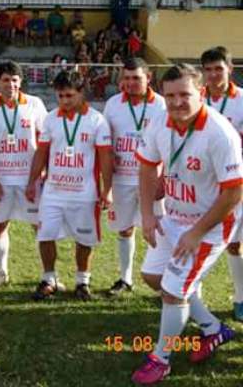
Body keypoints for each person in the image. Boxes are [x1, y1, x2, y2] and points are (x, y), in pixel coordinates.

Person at [131, 64, 243, 384]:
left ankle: (161, 358)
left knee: (173, 291)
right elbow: (146, 168)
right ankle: (212, 328)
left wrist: (196, 233)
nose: (177, 102)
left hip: (211, 225)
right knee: (153, 276)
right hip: (175, 216)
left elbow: (234, 191)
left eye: (185, 95)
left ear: (202, 93)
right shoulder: (159, 121)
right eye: (170, 96)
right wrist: (149, 215)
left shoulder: (220, 133)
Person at [28, 70, 113, 301]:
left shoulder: (97, 120)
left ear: (81, 93)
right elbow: (42, 152)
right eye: (60, 96)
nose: (64, 101)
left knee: (84, 239)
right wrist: (31, 181)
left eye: (69, 96)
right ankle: (49, 279)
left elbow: (106, 157)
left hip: (85, 193)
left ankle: (82, 282)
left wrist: (108, 189)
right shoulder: (51, 118)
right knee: (45, 235)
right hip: (53, 193)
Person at [103, 58, 166, 296]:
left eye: (136, 78)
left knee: (158, 230)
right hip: (122, 179)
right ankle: (125, 279)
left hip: (152, 180)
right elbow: (106, 144)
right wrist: (106, 184)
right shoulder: (112, 104)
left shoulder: (161, 105)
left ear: (148, 78)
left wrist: (164, 180)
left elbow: (170, 144)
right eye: (126, 78)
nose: (130, 83)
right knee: (125, 228)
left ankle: (162, 282)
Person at [0, 61, 48, 289]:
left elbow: (44, 142)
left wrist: (37, 177)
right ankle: (1, 272)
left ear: (20, 82)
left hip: (30, 179)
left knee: (40, 226)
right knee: (0, 225)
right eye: (5, 80)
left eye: (15, 80)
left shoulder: (35, 104)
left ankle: (47, 275)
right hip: (1, 180)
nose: (10, 84)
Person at [200, 47, 243, 321]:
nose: (214, 74)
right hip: (202, 183)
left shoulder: (242, 100)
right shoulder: (196, 100)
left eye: (219, 68)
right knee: (196, 238)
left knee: (235, 244)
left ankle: (240, 299)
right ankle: (191, 295)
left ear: (230, 69)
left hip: (236, 183)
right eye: (209, 69)